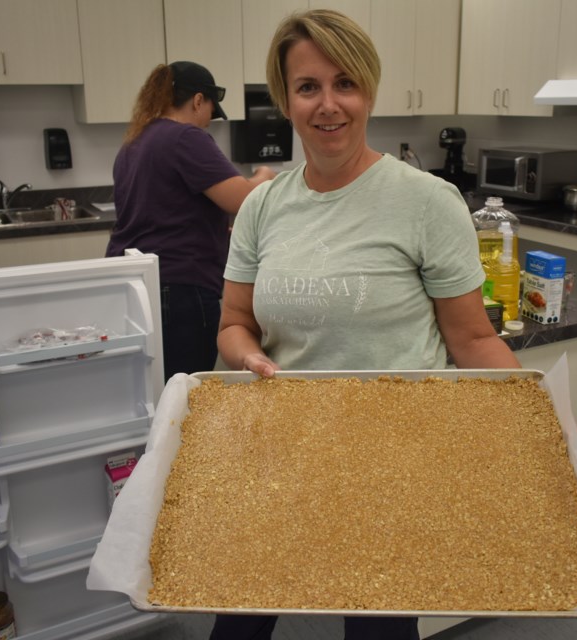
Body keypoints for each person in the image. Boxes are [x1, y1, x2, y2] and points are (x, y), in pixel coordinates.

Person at [213, 9, 521, 640]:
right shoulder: (263, 205)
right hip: (282, 449)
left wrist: (534, 409)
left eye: (345, 83)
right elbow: (234, 323)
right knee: (239, 619)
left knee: (377, 628)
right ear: (287, 100)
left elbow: (472, 339)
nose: (329, 105)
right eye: (308, 87)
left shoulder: (426, 202)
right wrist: (247, 358)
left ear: (370, 91)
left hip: (392, 459)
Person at [107, 61, 276, 381]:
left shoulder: (135, 141)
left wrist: (212, 228)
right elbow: (243, 199)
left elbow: (163, 212)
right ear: (198, 100)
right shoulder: (185, 136)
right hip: (180, 291)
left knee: (155, 389)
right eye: (211, 112)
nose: (208, 123)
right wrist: (264, 176)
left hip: (137, 287)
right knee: (184, 387)